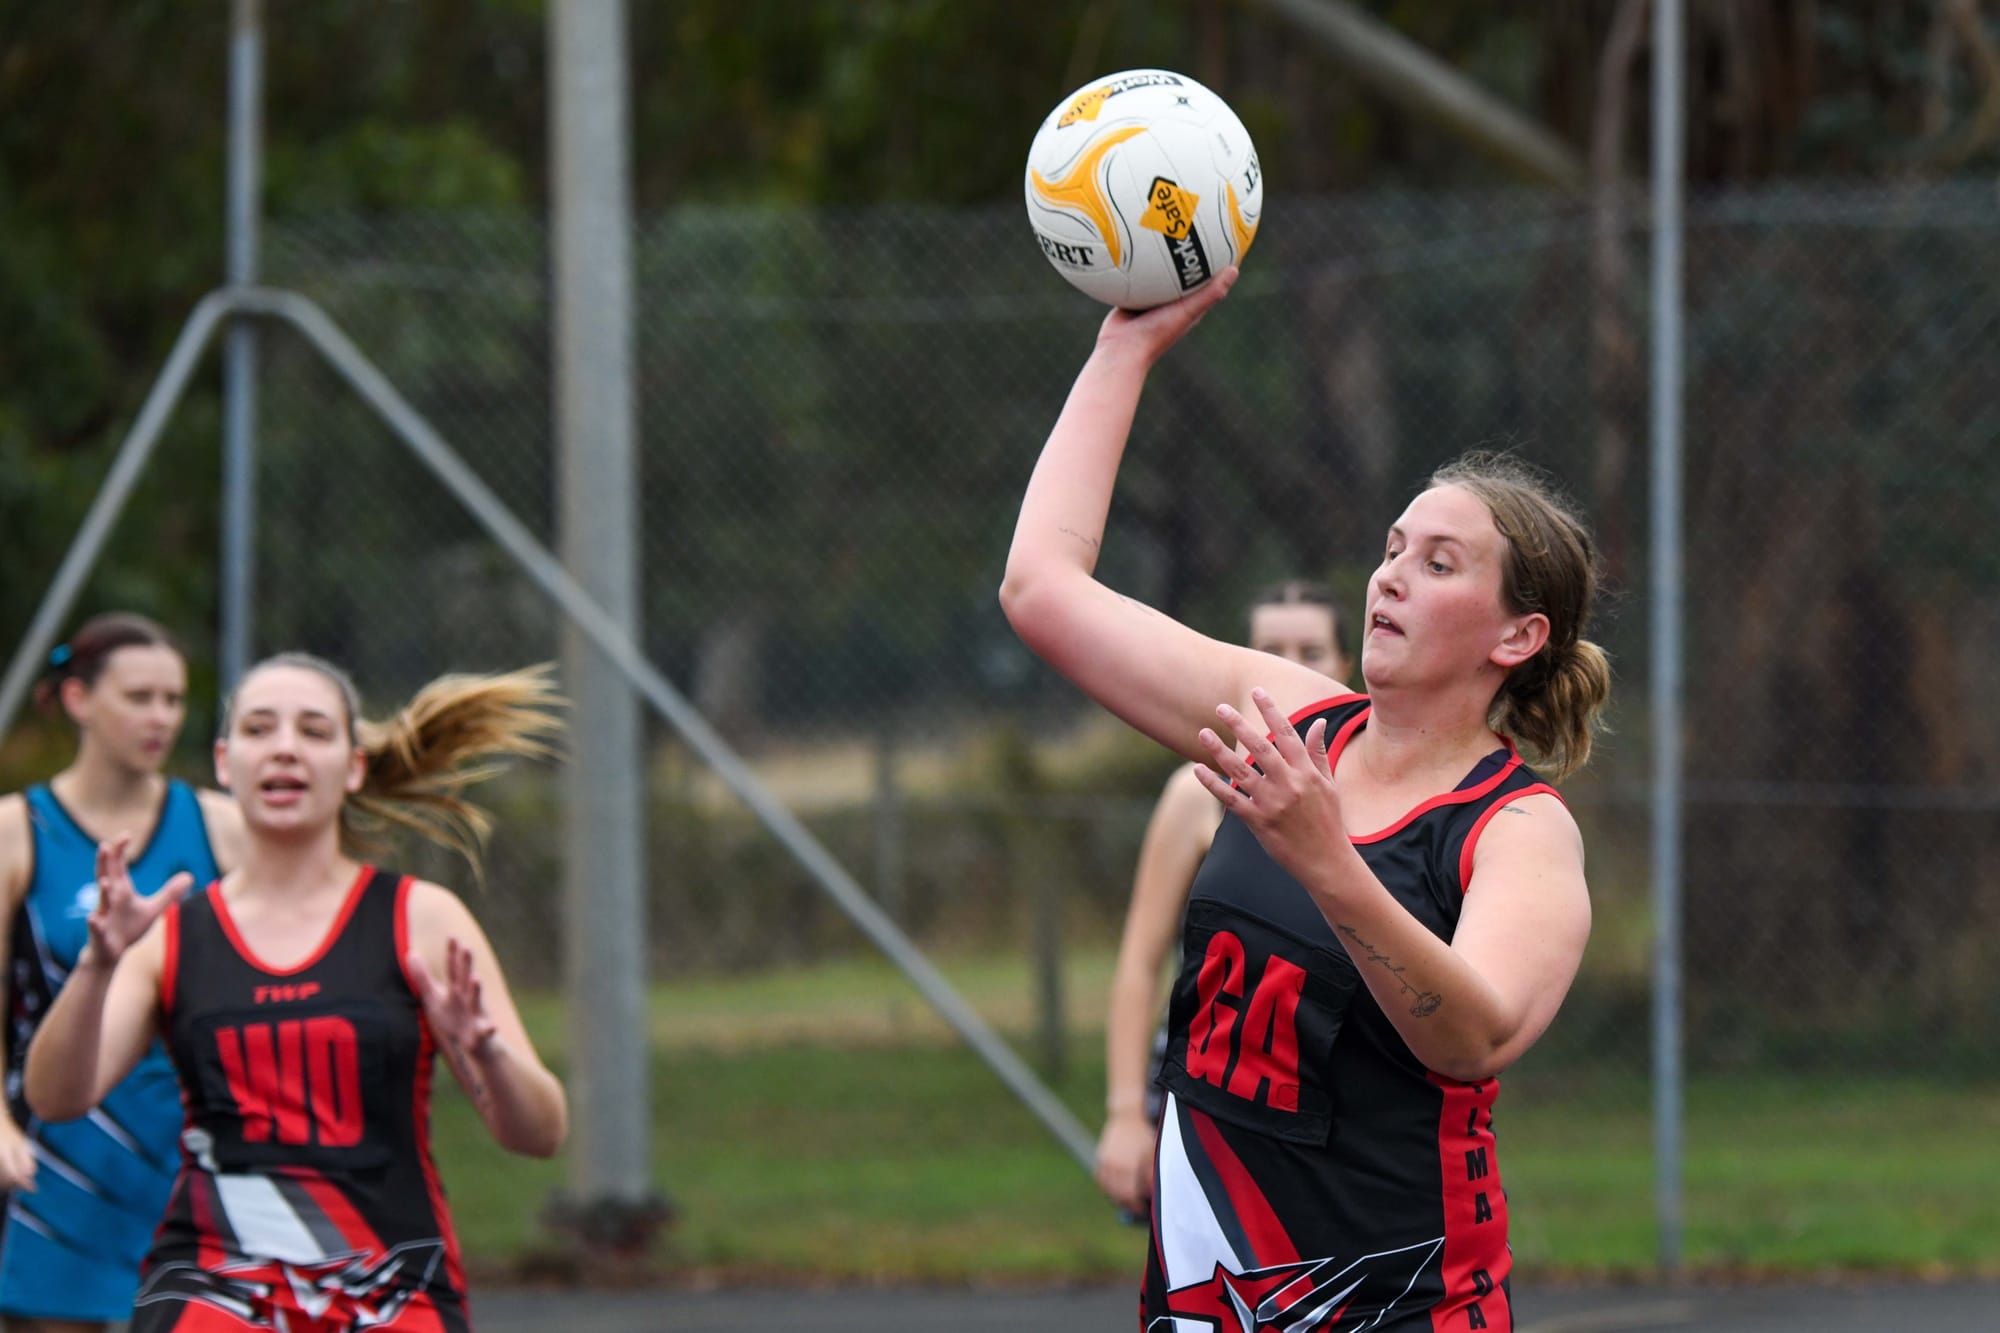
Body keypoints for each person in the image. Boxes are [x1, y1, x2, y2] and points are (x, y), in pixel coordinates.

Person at [1001, 266, 1610, 1332]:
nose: (1388, 577)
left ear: (1516, 636)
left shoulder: (1513, 831)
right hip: (1205, 1292)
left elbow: (1470, 1037)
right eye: (1388, 550)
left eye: (1437, 562)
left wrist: (1325, 858)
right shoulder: (1293, 718)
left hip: (1391, 1306)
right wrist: (1122, 351)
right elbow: (1041, 591)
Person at [22, 653, 568, 1333]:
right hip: (217, 1284)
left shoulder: (421, 919)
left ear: (354, 765)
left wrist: (488, 1054)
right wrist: (96, 967)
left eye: (313, 730)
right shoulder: (171, 936)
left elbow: (539, 1133)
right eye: (259, 728)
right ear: (225, 763)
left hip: (391, 1284)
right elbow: (54, 1096)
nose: (285, 747)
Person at [0, 612, 247, 1333]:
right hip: (57, 1154)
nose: (161, 716)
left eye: (173, 699)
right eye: (139, 697)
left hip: (193, 1148)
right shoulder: (19, 831)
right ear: (78, 699)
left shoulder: (219, 826)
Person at [1095, 582, 1352, 1218]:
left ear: (1349, 666)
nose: (1292, 665)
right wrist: (1127, 1115)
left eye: (1312, 650)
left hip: (1339, 1085)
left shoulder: (1380, 796)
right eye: (1272, 649)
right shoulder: (1198, 793)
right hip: (1212, 1080)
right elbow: (1139, 959)